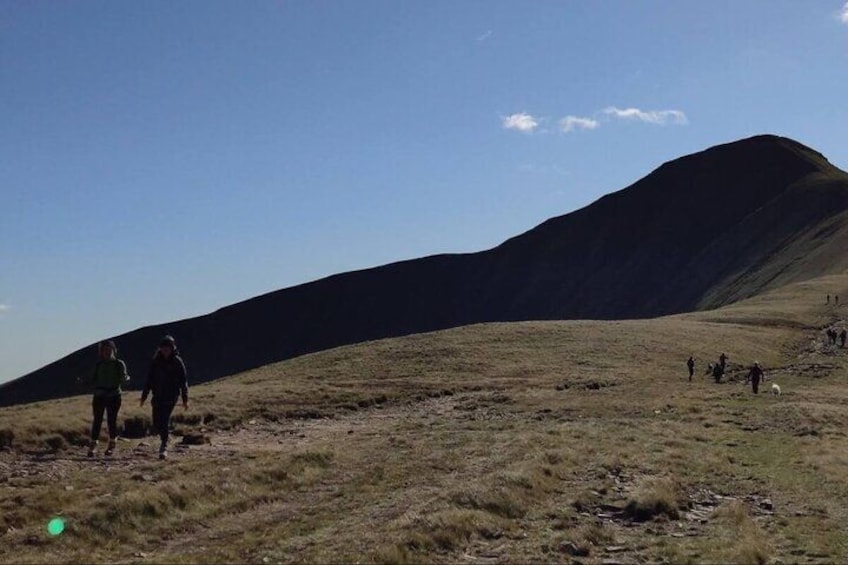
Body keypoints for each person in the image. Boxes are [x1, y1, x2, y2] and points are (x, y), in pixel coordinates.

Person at [140, 335, 189, 460]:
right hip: (157, 396)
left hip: (171, 395)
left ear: (173, 348)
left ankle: (164, 445)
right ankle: (165, 437)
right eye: (164, 347)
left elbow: (183, 381)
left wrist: (185, 399)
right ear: (160, 348)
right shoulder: (155, 362)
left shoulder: (177, 361)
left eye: (168, 347)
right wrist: (144, 396)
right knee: (156, 421)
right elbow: (149, 380)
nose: (166, 350)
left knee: (164, 419)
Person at [79, 340, 130, 457]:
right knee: (97, 420)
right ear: (101, 352)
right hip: (99, 395)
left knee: (112, 420)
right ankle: (93, 444)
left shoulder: (119, 364)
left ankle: (112, 444)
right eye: (104, 350)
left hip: (114, 395)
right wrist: (84, 382)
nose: (107, 352)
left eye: (109, 349)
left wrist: (126, 379)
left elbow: (124, 377)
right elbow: (93, 379)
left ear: (113, 350)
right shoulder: (98, 365)